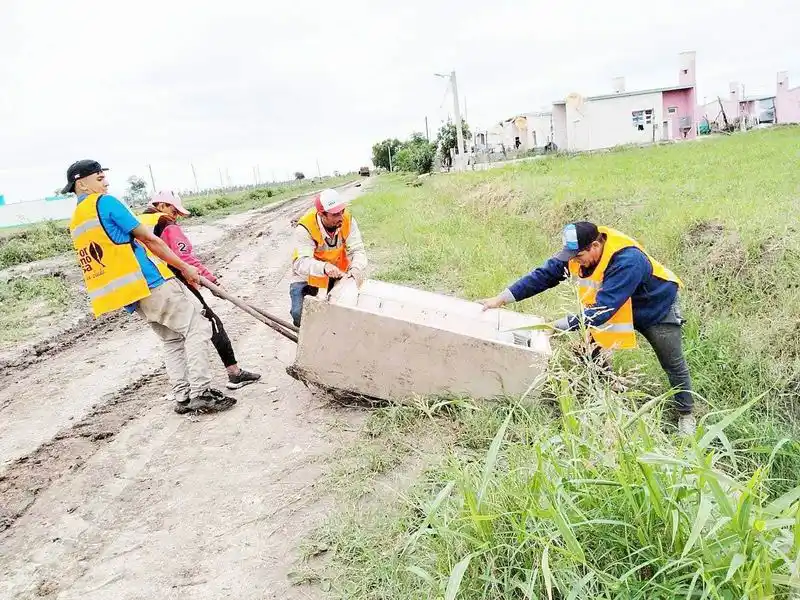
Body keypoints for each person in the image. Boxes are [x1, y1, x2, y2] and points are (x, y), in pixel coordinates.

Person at [481, 221, 695, 435]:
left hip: (653, 307)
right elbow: (544, 275)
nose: (575, 262)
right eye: (571, 257)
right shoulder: (576, 252)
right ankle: (614, 394)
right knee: (590, 352)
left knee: (672, 362)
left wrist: (555, 326)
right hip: (614, 306)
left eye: (578, 257)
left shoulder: (628, 261)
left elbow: (602, 311)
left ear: (594, 245)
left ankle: (686, 415)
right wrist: (501, 299)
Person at [64, 159, 236, 414]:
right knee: (198, 328)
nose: (106, 183)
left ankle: (183, 396)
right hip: (150, 282)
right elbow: (148, 239)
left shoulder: (76, 220)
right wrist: (186, 267)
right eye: (100, 178)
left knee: (172, 338)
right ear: (82, 183)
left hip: (128, 294)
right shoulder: (105, 203)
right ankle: (202, 392)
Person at [139, 191, 261, 390]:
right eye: (173, 210)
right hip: (174, 282)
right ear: (161, 205)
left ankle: (182, 391)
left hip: (148, 287)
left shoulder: (138, 222)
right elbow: (185, 258)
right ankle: (229, 376)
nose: (175, 215)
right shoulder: (167, 225)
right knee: (209, 323)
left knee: (172, 339)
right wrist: (211, 280)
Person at [289, 188, 368, 327]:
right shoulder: (305, 228)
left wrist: (355, 269)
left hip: (337, 274)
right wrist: (324, 267)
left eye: (342, 211)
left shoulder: (347, 221)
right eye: (335, 214)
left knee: (343, 315)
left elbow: (358, 250)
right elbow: (301, 263)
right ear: (322, 214)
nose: (341, 217)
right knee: (300, 315)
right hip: (307, 276)